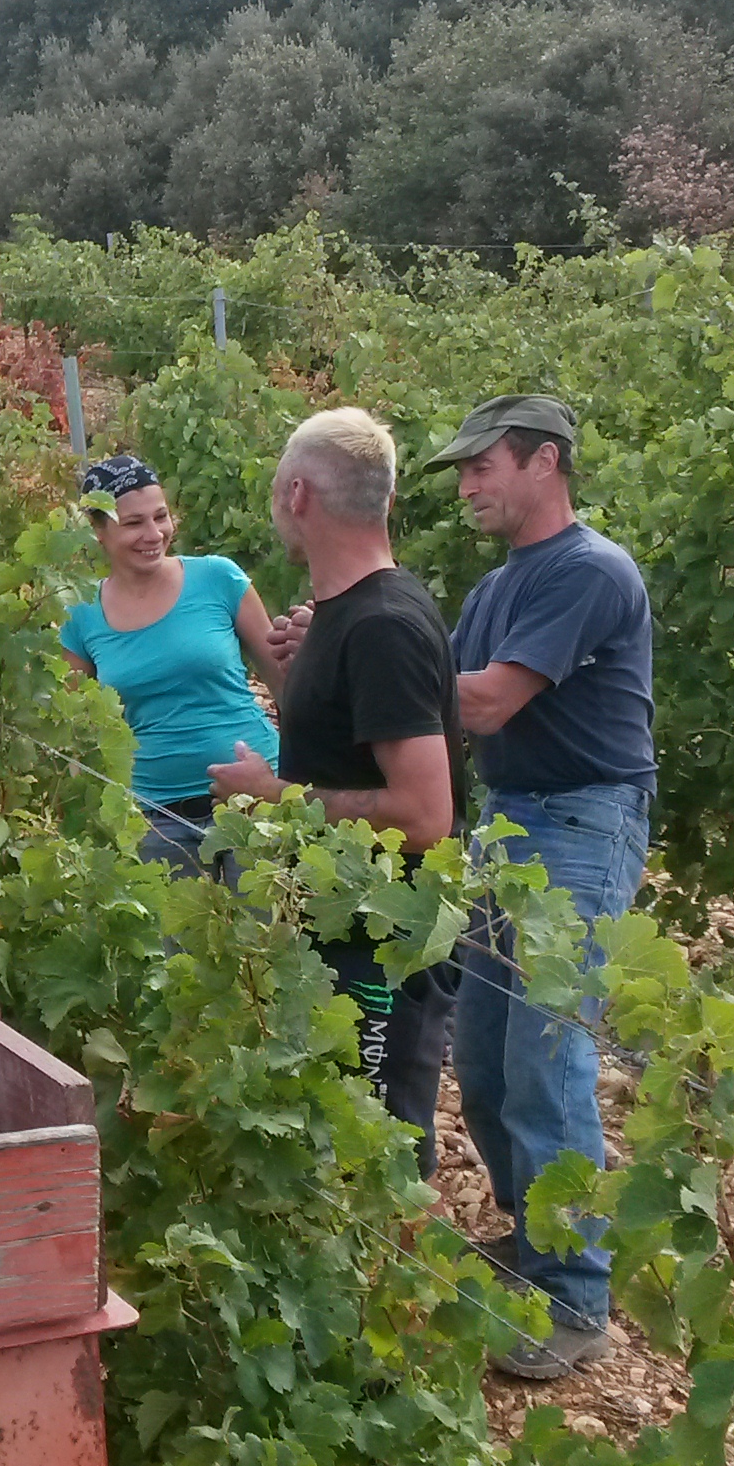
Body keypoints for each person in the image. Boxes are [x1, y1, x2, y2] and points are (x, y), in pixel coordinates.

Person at [424, 393, 655, 1381]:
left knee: (549, 1061)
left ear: (545, 462)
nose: (469, 485)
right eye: (465, 470)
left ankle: (576, 1296)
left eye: (484, 466)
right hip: (509, 824)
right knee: (483, 1059)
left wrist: (376, 657)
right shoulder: (492, 590)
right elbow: (447, 708)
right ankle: (535, 1237)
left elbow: (480, 699)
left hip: (579, 827)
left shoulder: (590, 574)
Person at [203, 407, 462, 1173]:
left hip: (383, 940)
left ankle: (395, 1286)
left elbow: (424, 815)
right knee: (337, 1136)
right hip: (342, 923)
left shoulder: (383, 627)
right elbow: (351, 749)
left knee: (377, 1151)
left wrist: (271, 794)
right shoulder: (347, 621)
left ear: (297, 494)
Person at [58, 455, 288, 873]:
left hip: (252, 805)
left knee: (265, 934)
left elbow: (285, 686)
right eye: (133, 523)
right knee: (177, 935)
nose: (153, 534)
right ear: (98, 532)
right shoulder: (81, 615)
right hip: (156, 821)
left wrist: (294, 785)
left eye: (160, 517)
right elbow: (76, 733)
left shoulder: (219, 578)